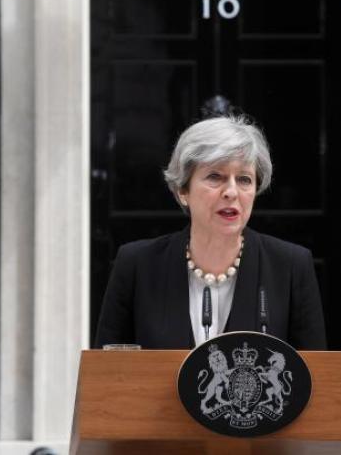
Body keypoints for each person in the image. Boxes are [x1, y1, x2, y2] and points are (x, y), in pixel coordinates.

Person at [94, 115, 327, 350]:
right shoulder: (136, 265)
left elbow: (316, 377)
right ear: (183, 189)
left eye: (244, 179)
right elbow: (107, 375)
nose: (231, 192)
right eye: (215, 177)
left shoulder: (291, 266)